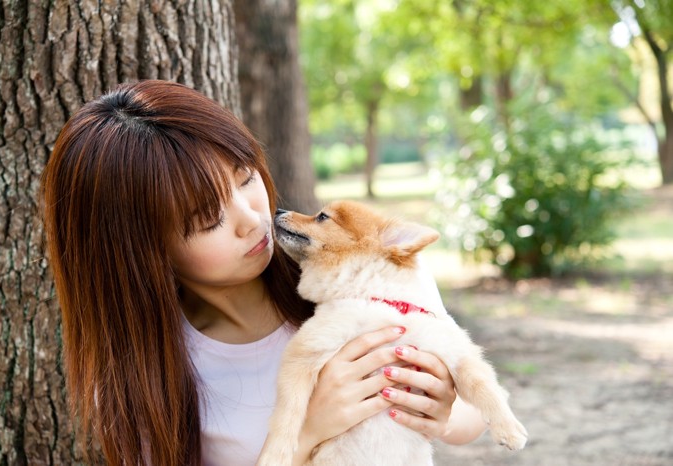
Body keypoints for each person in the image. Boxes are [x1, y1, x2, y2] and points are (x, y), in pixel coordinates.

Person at [40, 80, 486, 466]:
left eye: (245, 178)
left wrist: (443, 410)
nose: (252, 219)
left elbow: (472, 415)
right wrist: (305, 433)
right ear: (142, 252)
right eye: (206, 219)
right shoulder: (144, 379)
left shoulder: (364, 271)